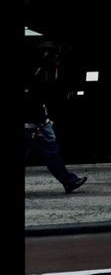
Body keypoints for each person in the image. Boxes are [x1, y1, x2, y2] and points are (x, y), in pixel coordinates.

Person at [24, 47, 87, 194]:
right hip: (34, 123)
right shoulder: (40, 75)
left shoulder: (40, 73)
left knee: (50, 152)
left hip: (35, 122)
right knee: (51, 152)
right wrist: (41, 122)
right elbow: (34, 100)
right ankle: (69, 181)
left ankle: (69, 181)